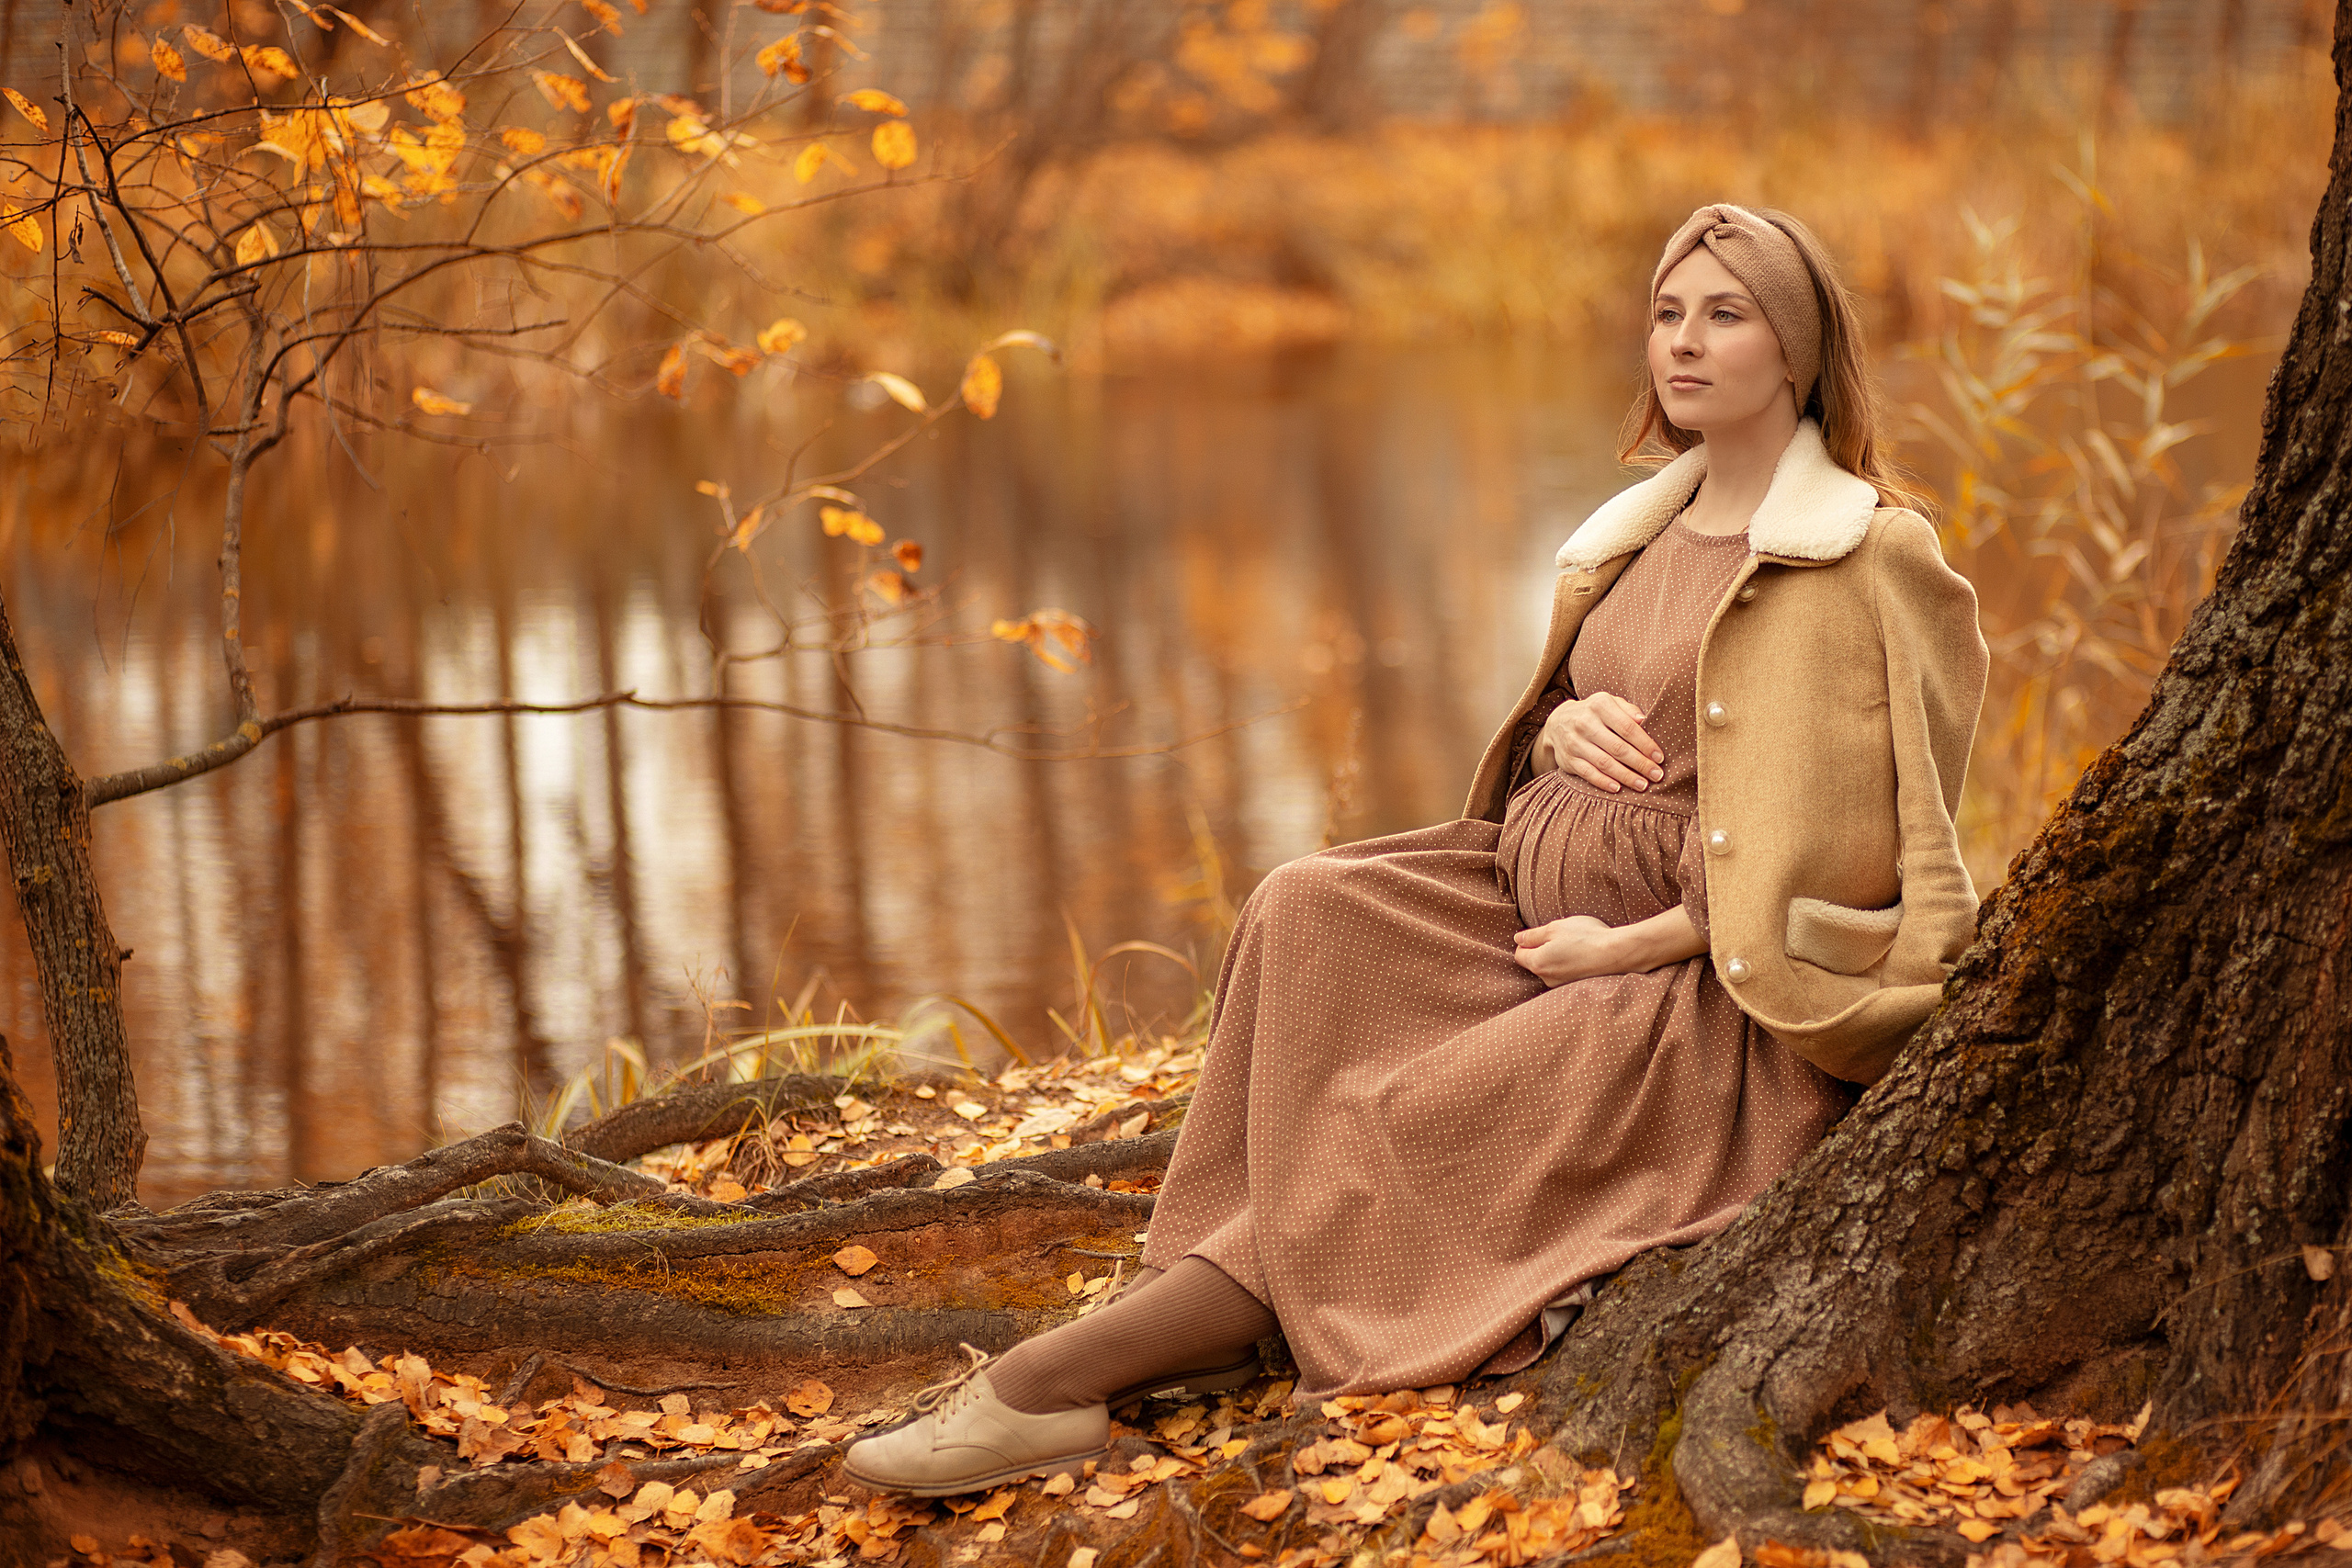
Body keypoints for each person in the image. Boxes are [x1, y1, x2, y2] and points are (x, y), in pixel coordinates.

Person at [844, 203, 1989, 1498]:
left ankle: (1047, 1388)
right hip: (1538, 903)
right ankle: (1212, 1289)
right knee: (1306, 907)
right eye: (1669, 312)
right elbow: (1607, 722)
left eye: (1727, 315)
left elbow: (1869, 835)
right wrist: (1560, 734)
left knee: (1397, 1121)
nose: (1685, 342)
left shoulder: (1861, 549)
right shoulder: (1641, 526)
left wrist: (1639, 943)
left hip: (1702, 990)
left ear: (1799, 346)